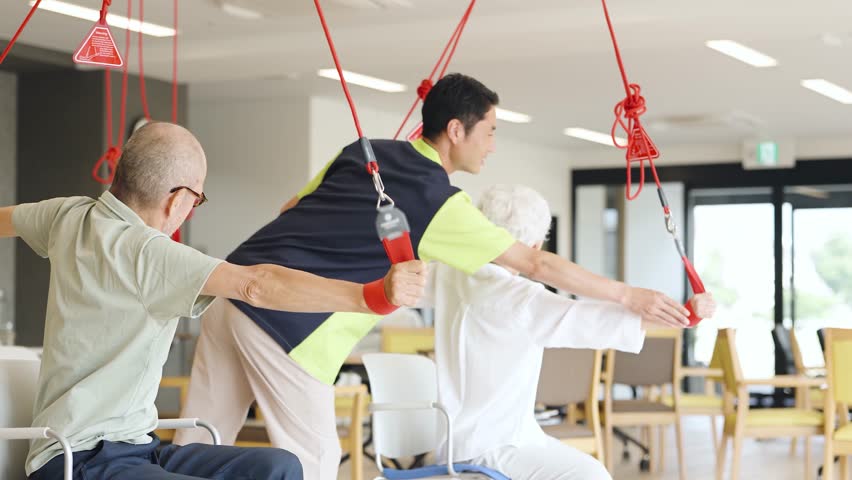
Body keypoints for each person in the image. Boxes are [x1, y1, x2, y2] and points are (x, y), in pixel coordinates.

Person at [176, 73, 695, 480]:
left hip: (231, 287)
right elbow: (536, 264)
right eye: (489, 132)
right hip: (286, 321)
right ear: (456, 131)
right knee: (313, 455)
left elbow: (292, 206)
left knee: (199, 441)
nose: (492, 146)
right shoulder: (441, 204)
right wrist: (629, 294)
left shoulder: (364, 151)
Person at [0, 122, 426, 480]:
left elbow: (5, 218)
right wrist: (373, 295)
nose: (192, 208)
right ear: (176, 198)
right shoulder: (152, 253)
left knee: (279, 467)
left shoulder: (67, 216)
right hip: (80, 459)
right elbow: (257, 285)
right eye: (197, 198)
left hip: (137, 448)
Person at [425, 184, 716, 480]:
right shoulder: (522, 298)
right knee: (592, 475)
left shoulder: (449, 273)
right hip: (496, 448)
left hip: (457, 444)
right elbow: (594, 322)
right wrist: (688, 314)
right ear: (536, 246)